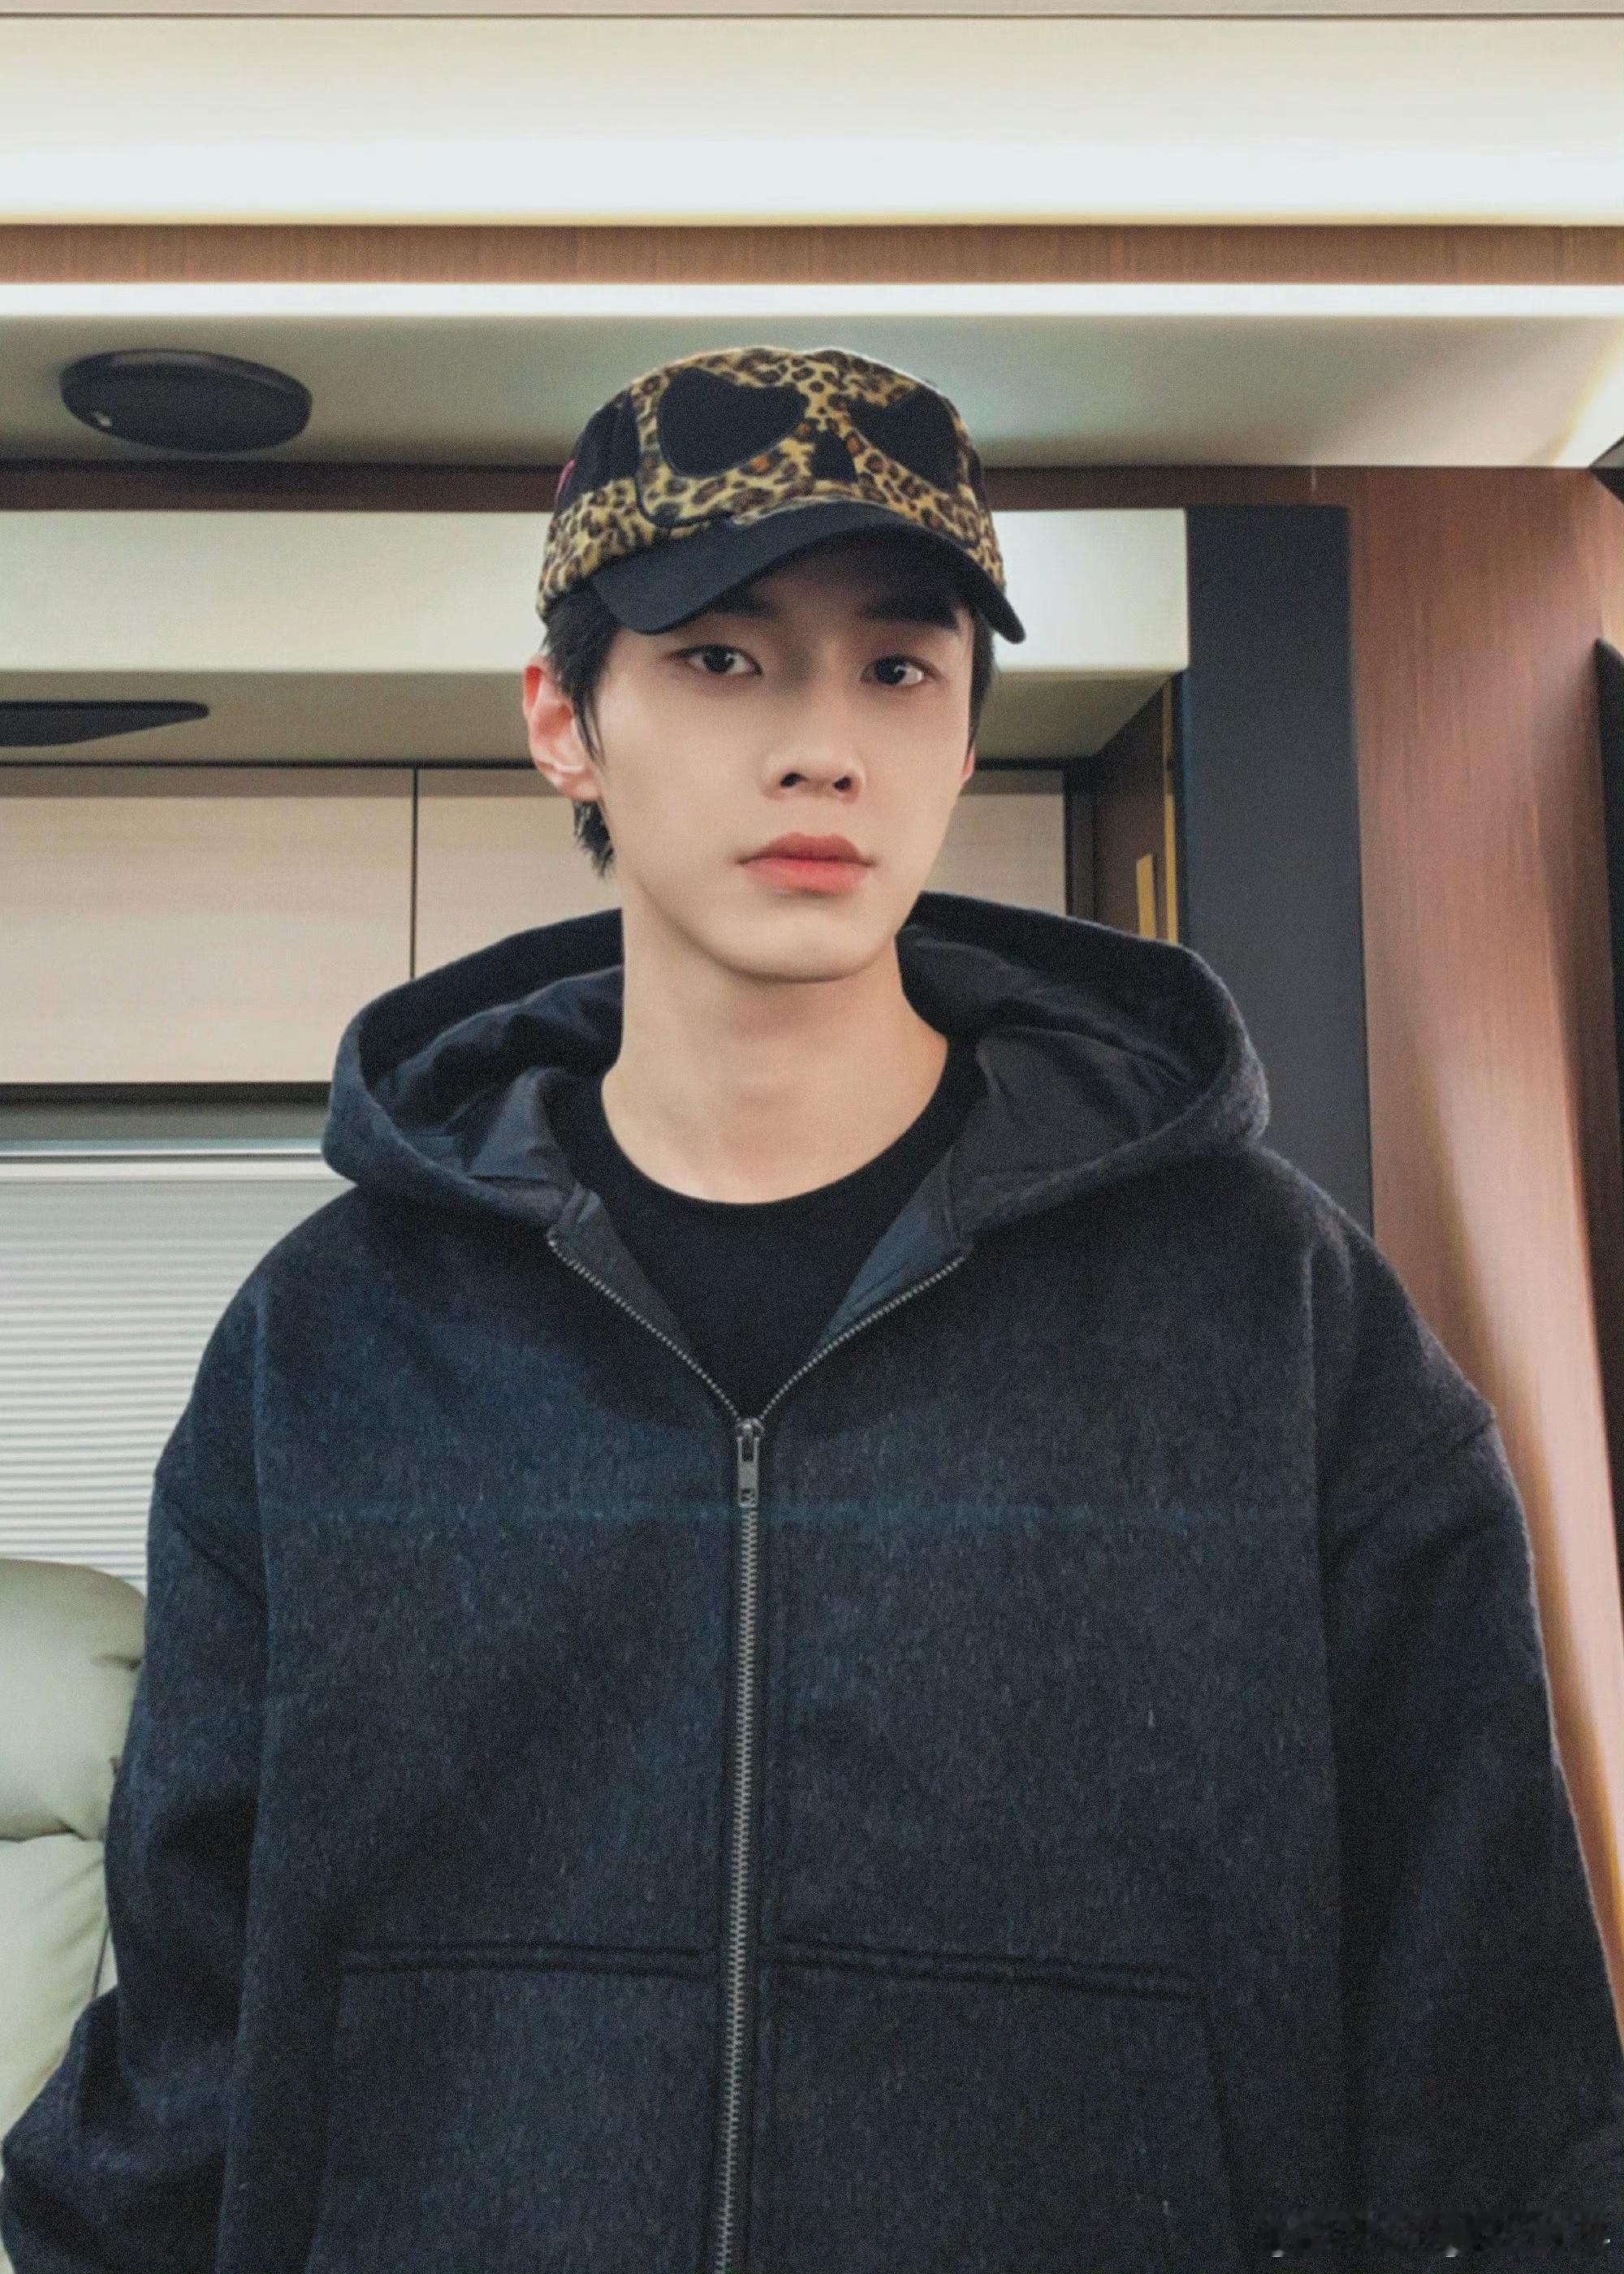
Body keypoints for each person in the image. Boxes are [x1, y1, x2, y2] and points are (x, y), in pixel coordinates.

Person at [2, 341, 1620, 2274]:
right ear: (563, 718)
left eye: (897, 667)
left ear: (961, 732)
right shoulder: (331, 1338)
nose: (821, 745)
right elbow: (187, 2032)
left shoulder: (1271, 1311)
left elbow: (1492, 2055)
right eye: (721, 658)